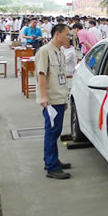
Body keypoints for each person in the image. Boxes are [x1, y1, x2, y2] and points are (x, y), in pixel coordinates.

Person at [35, 23, 72, 180]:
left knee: (55, 131)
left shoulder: (60, 52)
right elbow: (41, 75)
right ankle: (52, 166)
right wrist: (43, 96)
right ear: (57, 34)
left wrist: (64, 98)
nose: (69, 37)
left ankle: (52, 159)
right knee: (51, 132)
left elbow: (60, 76)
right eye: (67, 34)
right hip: (51, 100)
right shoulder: (44, 51)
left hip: (59, 97)